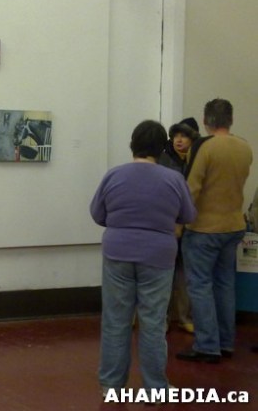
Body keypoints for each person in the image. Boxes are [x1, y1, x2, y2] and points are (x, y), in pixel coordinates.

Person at [90, 120, 197, 396]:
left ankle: (111, 385)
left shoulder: (114, 175)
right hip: (158, 256)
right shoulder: (174, 179)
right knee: (153, 322)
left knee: (116, 320)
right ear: (162, 148)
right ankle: (155, 387)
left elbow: (97, 214)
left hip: (118, 252)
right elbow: (188, 215)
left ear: (132, 145)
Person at [176, 98, 253, 363]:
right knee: (225, 284)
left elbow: (192, 189)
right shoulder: (244, 147)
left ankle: (207, 345)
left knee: (200, 286)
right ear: (230, 120)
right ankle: (226, 342)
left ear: (205, 121)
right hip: (234, 226)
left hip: (204, 228)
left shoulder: (203, 147)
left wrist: (179, 223)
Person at [158, 117, 200, 334]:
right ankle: (162, 318)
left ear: (193, 139)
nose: (179, 140)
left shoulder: (198, 159)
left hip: (191, 224)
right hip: (167, 224)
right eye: (176, 135)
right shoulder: (163, 159)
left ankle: (184, 317)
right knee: (163, 273)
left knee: (185, 273)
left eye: (184, 136)